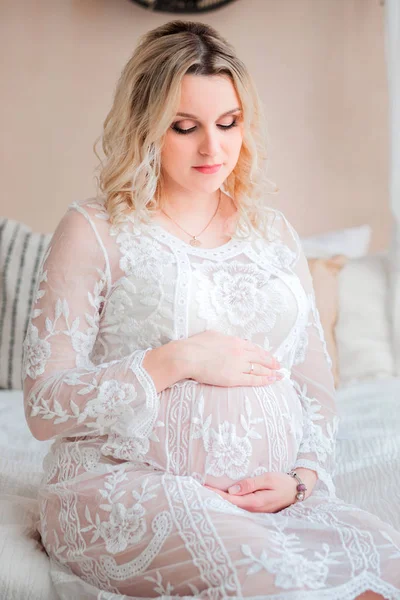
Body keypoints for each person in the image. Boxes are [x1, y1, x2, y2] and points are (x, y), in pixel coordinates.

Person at [22, 20, 400, 600]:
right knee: (268, 576)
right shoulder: (94, 230)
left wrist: (299, 482)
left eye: (229, 124)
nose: (213, 148)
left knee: (383, 568)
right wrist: (176, 360)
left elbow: (315, 391)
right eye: (185, 127)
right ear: (145, 126)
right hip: (126, 483)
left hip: (268, 496)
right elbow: (44, 406)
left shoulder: (271, 232)